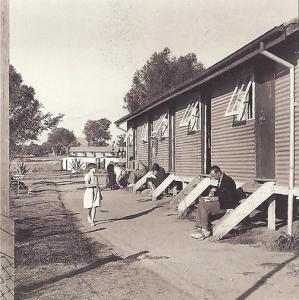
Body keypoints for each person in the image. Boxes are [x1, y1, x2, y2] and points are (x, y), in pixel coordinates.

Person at [190, 165, 239, 240]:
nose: (212, 178)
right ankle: (200, 228)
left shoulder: (227, 181)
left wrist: (215, 198)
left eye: (213, 176)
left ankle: (205, 230)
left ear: (218, 173)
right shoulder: (222, 179)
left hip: (227, 205)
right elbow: (223, 193)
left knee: (204, 206)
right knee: (201, 203)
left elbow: (228, 197)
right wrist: (215, 192)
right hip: (223, 202)